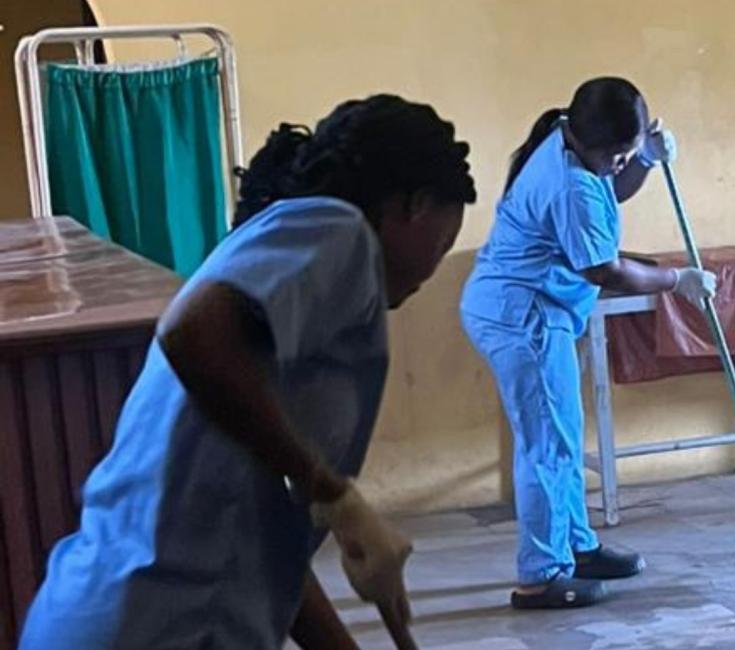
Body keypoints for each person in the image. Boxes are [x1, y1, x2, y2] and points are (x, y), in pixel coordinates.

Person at [19, 94, 477, 650]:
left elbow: (263, 546)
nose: (435, 265)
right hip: (153, 624)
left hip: (108, 615)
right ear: (414, 205)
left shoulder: (285, 342)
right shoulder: (342, 232)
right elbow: (191, 329)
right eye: (443, 243)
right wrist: (332, 491)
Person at [460, 77, 717, 609]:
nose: (621, 164)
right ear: (594, 142)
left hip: (532, 309)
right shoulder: (570, 184)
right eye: (619, 154)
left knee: (562, 436)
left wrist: (644, 160)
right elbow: (606, 270)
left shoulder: (567, 138)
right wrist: (675, 281)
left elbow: (611, 185)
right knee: (547, 446)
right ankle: (541, 575)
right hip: (523, 317)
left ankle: (576, 547)